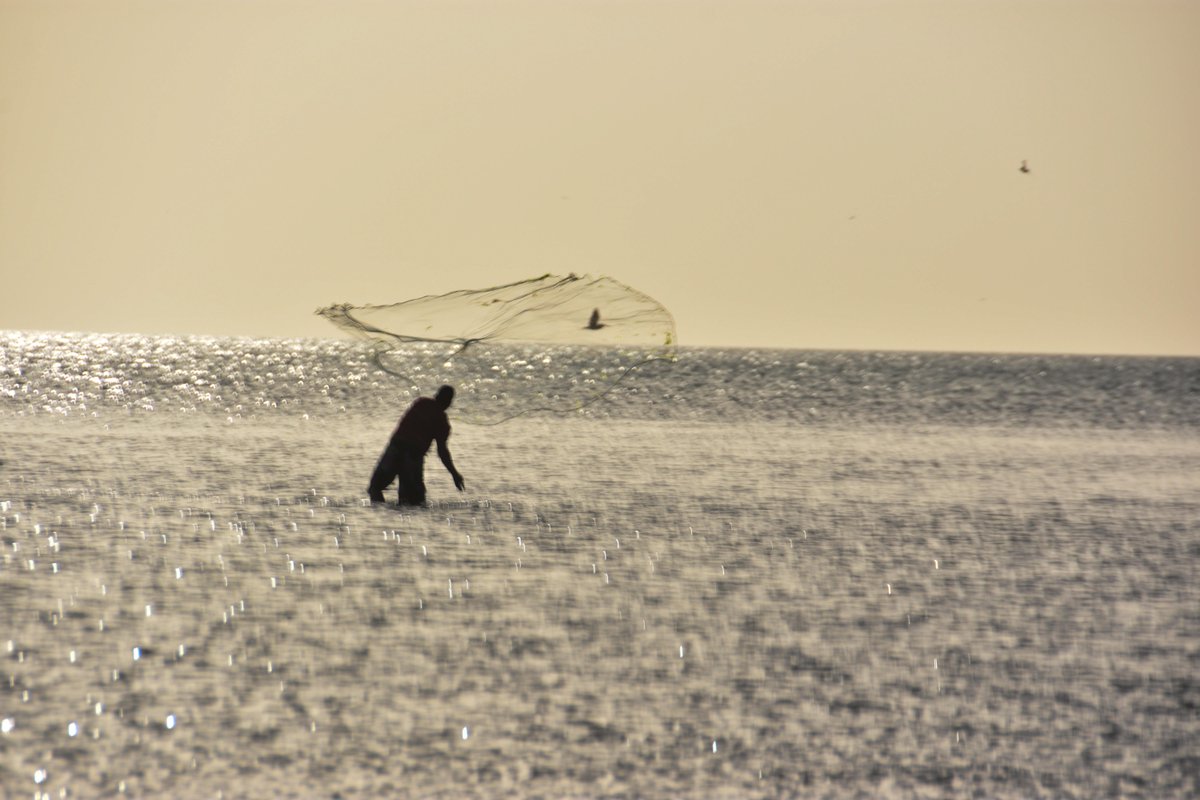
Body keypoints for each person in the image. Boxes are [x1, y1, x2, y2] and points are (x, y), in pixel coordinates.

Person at [368, 385, 465, 505]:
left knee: (375, 488)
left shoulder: (420, 403)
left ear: (437, 395)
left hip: (395, 450)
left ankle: (381, 514)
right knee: (413, 502)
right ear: (449, 403)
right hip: (412, 457)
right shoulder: (442, 422)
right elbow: (442, 452)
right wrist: (454, 474)